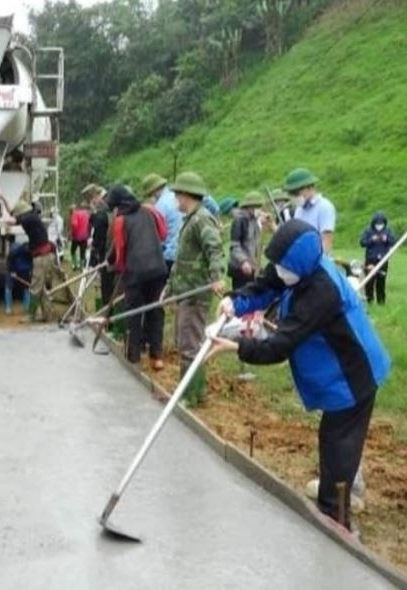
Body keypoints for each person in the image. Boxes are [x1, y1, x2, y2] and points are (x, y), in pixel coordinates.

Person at [213, 220, 391, 532]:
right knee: (338, 442)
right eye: (277, 264)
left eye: (283, 266)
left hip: (353, 374)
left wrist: (238, 346)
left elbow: (282, 344)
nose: (278, 271)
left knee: (338, 442)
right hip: (334, 372)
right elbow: (267, 285)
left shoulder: (322, 291)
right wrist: (234, 301)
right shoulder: (295, 268)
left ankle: (337, 521)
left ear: (298, 264)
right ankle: (347, 485)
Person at [167, 172, 227, 406]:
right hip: (184, 290)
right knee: (185, 341)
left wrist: (216, 277)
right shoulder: (190, 220)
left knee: (191, 344)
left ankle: (192, 396)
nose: (176, 201)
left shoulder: (202, 219)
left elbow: (214, 249)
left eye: (177, 196)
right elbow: (182, 260)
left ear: (185, 195)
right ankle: (189, 391)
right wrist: (169, 288)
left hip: (195, 292)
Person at [106, 185, 168, 369]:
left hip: (135, 272)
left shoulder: (120, 220)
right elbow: (163, 235)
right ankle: (156, 357)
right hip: (158, 268)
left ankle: (133, 358)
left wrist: (113, 266)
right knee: (155, 310)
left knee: (133, 313)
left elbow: (120, 251)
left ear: (118, 205)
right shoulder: (150, 210)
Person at [2, 198, 56, 322]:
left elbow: (10, 220)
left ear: (21, 212)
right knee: (41, 288)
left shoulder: (28, 219)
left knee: (35, 288)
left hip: (41, 258)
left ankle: (31, 315)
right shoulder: (33, 217)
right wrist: (2, 199)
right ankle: (47, 315)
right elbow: (12, 214)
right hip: (45, 256)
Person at [285, 168, 336, 254]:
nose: (294, 197)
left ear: (309, 187)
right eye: (291, 194)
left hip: (317, 262)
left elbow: (327, 240)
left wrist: (318, 262)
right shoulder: (299, 210)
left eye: (297, 193)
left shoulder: (324, 207)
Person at [142, 173, 181, 276]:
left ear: (154, 191)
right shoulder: (176, 197)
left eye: (150, 195)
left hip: (169, 254)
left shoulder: (160, 206)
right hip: (183, 251)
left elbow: (158, 236)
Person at [228, 191, 265, 290]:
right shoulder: (239, 221)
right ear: (250, 207)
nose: (259, 209)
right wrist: (243, 261)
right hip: (241, 268)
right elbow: (234, 245)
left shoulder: (254, 220)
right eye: (257, 206)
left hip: (253, 267)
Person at [86, 185, 115, 306]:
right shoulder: (112, 213)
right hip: (113, 253)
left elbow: (98, 239)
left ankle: (107, 313)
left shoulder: (103, 215)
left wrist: (93, 244)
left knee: (107, 286)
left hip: (107, 253)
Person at [360, 212, 396, 304]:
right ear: (373, 223)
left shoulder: (388, 231)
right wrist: (371, 239)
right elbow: (362, 242)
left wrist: (386, 239)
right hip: (370, 259)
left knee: (381, 281)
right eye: (377, 223)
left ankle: (381, 301)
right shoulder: (368, 231)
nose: (379, 225)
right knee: (369, 281)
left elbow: (393, 241)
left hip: (383, 259)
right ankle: (369, 300)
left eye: (381, 223)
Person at [4, 240, 33, 315]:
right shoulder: (15, 251)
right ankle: (8, 308)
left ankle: (26, 309)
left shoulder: (33, 254)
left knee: (28, 288)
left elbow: (33, 265)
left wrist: (31, 272)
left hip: (26, 271)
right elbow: (9, 261)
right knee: (8, 287)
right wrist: (12, 271)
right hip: (13, 269)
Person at [69, 203, 90, 270]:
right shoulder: (87, 213)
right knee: (82, 252)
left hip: (76, 236)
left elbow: (74, 225)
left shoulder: (75, 214)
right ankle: (82, 267)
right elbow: (89, 224)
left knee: (72, 250)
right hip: (85, 236)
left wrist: (72, 233)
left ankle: (74, 265)